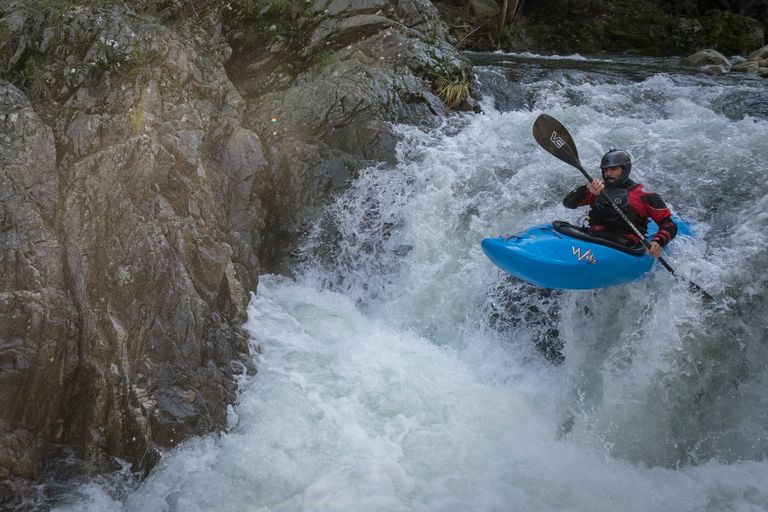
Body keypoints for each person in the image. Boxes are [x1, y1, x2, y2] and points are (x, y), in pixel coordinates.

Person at [562, 149, 677, 257]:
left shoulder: (645, 194)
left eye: (613, 169)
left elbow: (669, 225)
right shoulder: (597, 188)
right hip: (592, 238)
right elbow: (568, 204)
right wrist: (585, 189)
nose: (608, 174)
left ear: (625, 169)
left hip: (622, 247)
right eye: (605, 170)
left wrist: (658, 242)